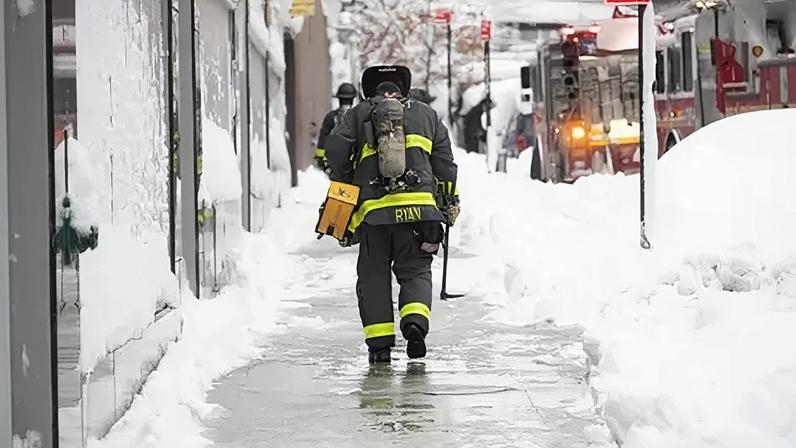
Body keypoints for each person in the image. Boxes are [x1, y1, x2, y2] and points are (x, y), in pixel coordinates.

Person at [325, 65, 459, 364]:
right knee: (415, 271)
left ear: (367, 89)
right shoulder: (427, 115)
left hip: (374, 214)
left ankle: (380, 345)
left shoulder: (357, 114)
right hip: (421, 214)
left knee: (373, 276)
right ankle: (415, 324)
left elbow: (334, 150)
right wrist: (448, 201)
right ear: (404, 87)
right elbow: (445, 164)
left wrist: (346, 176)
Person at [315, 83, 358, 173]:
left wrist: (320, 159)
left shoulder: (331, 117)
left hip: (335, 164)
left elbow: (324, 138)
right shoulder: (358, 116)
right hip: (352, 163)